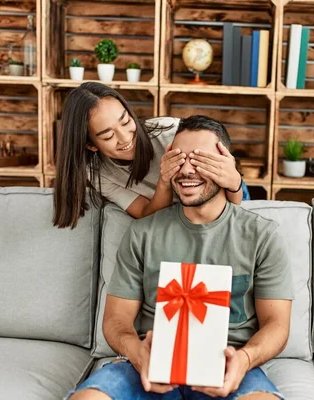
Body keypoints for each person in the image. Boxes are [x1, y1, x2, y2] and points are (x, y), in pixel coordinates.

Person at [68, 116, 293, 400]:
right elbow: (116, 320)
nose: (187, 170)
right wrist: (138, 354)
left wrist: (245, 359)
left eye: (200, 160)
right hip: (148, 365)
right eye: (179, 158)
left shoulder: (263, 235)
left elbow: (277, 325)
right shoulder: (142, 233)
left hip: (229, 361)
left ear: (224, 163)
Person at [53, 82, 247, 229]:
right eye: (108, 135)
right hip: (181, 209)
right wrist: (164, 181)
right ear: (90, 145)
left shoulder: (170, 132)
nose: (125, 138)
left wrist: (235, 180)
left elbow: (226, 199)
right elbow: (147, 214)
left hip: (222, 188)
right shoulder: (99, 174)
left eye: (126, 121)